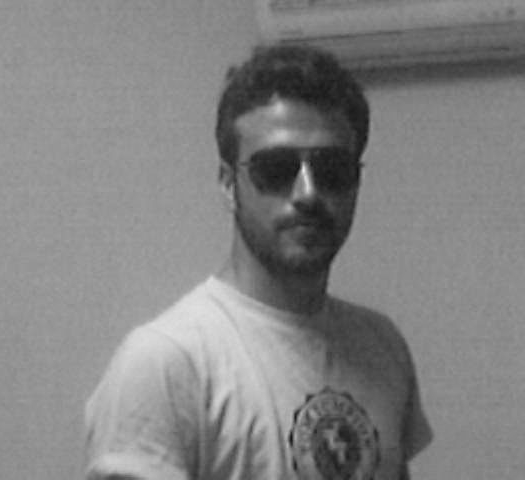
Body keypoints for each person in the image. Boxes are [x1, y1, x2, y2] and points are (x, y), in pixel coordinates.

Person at [85, 44, 432, 480]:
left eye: (331, 169)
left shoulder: (381, 347)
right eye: (276, 169)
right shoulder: (165, 365)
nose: (307, 193)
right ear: (229, 184)